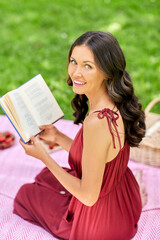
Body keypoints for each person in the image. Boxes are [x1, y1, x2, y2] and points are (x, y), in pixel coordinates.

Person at [13, 31, 147, 240]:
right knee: (45, 179)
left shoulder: (97, 122)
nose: (75, 72)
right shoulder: (114, 103)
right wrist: (58, 137)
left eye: (88, 66)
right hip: (123, 202)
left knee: (26, 194)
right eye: (74, 61)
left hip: (100, 224)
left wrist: (44, 157)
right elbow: (98, 154)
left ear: (107, 72)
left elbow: (88, 196)